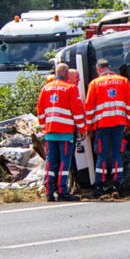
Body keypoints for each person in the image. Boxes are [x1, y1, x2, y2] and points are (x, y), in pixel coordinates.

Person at [36, 63, 86, 202]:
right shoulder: (70, 88)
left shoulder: (45, 88)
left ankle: (49, 192)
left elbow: (39, 110)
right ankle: (62, 191)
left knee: (50, 161)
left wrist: (43, 126)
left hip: (50, 131)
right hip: (65, 131)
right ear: (67, 74)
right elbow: (76, 111)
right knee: (65, 161)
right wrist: (82, 129)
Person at [85, 58, 130, 198]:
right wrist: (129, 124)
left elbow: (89, 107)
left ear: (98, 70)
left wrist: (88, 127)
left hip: (102, 125)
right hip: (119, 124)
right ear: (110, 67)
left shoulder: (95, 83)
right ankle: (117, 186)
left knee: (101, 155)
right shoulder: (123, 81)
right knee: (117, 154)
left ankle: (99, 187)